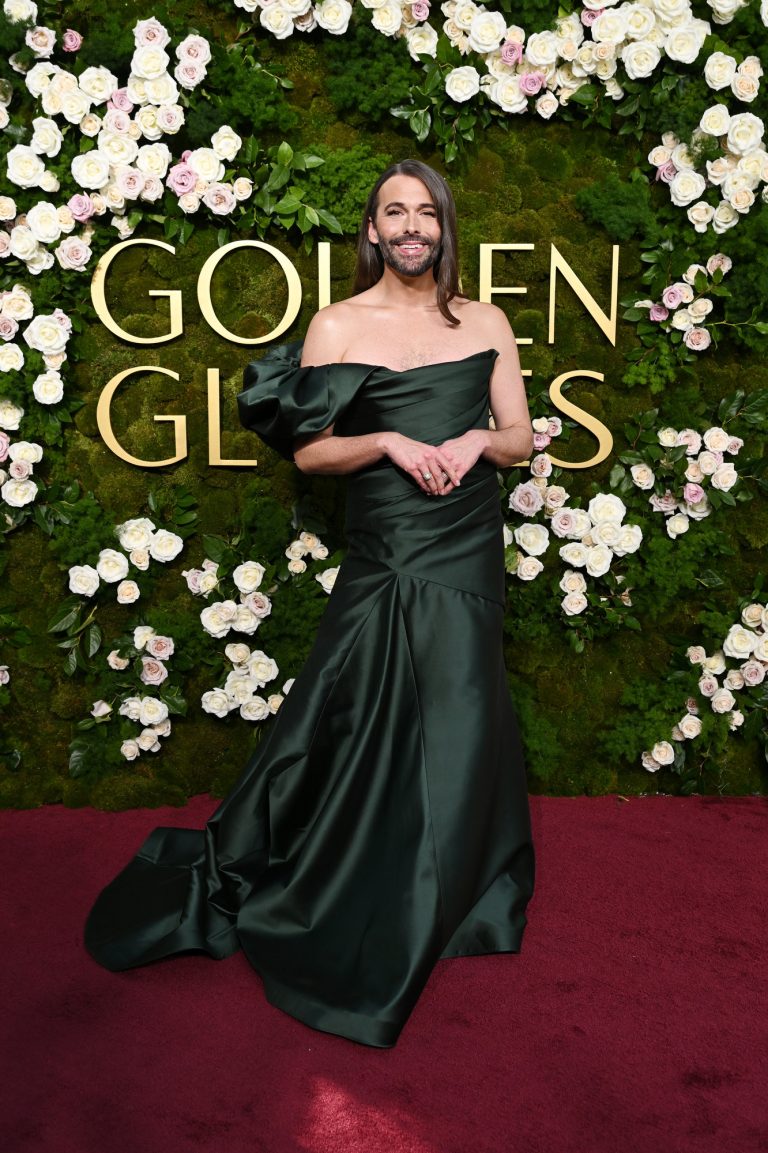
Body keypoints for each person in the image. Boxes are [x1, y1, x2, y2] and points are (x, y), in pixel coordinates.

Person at [84, 159, 536, 1049]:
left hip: (466, 541)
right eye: (394, 213)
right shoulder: (338, 323)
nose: (410, 227)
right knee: (357, 709)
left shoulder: (486, 321)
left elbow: (519, 438)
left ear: (444, 227)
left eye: (425, 213)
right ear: (372, 230)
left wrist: (477, 439)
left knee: (462, 710)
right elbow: (311, 454)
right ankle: (357, 872)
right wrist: (390, 440)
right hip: (388, 543)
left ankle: (457, 885)